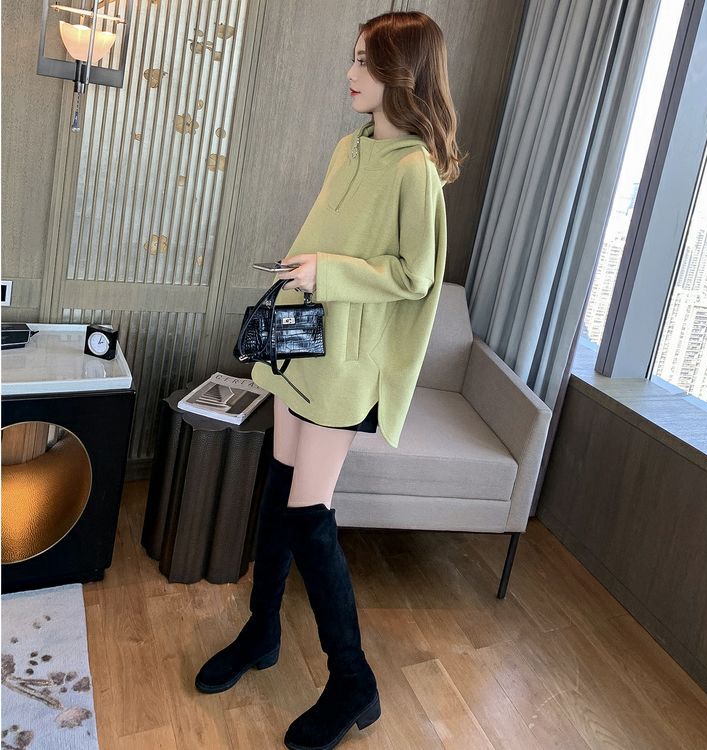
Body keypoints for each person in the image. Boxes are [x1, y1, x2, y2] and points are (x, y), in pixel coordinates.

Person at [195, 10, 464, 750]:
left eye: (364, 62)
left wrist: (329, 272)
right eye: (353, 58)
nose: (350, 73)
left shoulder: (414, 170)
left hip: (347, 366)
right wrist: (300, 271)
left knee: (309, 513)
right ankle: (262, 631)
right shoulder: (350, 148)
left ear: (401, 74)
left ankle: (353, 681)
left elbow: (415, 276)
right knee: (280, 488)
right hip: (304, 348)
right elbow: (326, 239)